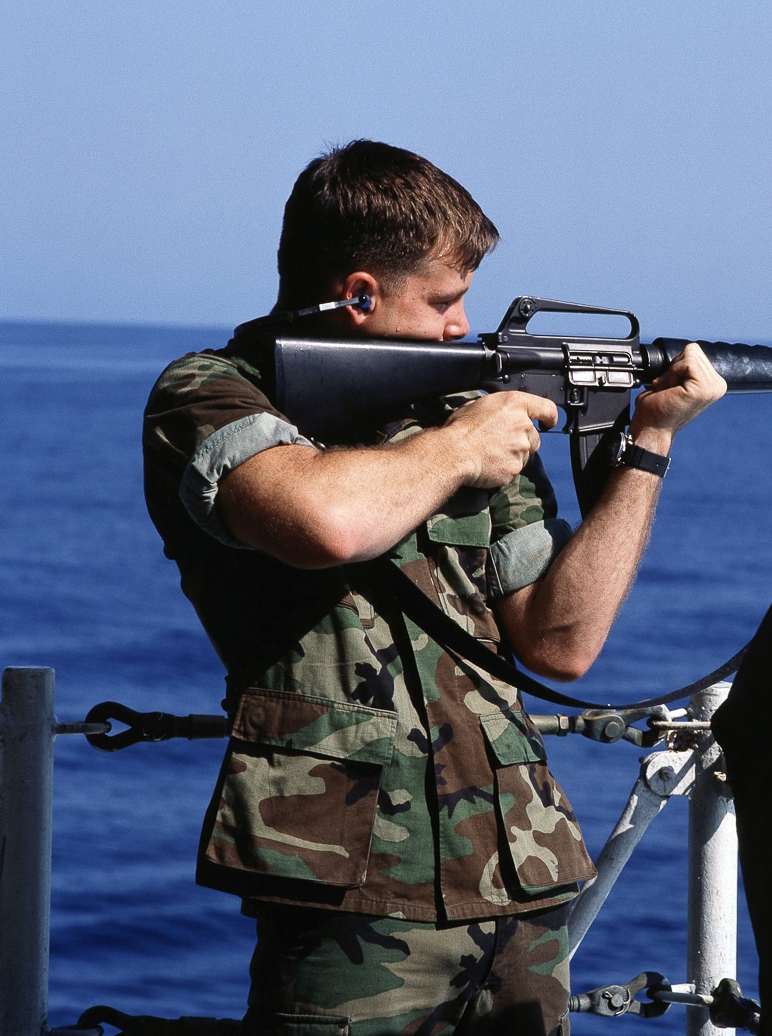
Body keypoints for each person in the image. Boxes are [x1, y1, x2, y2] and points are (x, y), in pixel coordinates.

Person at [142, 139, 725, 1036]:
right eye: (445, 302)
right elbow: (322, 522)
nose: (463, 327)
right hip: (353, 892)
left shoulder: (462, 412)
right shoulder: (213, 397)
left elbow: (561, 642)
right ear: (362, 294)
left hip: (520, 877)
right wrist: (459, 450)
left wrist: (649, 447)